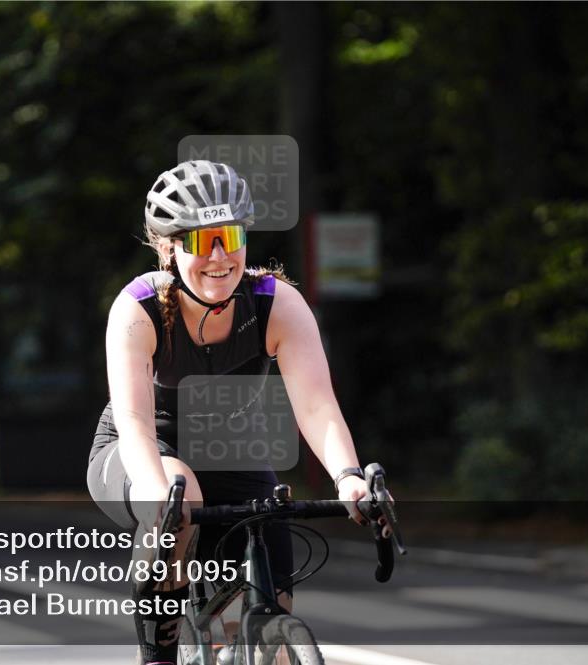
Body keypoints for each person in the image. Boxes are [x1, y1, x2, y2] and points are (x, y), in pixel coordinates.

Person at [87, 160, 376, 665]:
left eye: (230, 236)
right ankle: (159, 657)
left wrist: (349, 477)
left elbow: (316, 403)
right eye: (201, 241)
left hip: (232, 453)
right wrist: (159, 495)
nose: (219, 256)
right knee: (180, 500)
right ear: (168, 249)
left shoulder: (275, 304)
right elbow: (133, 422)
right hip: (143, 451)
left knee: (271, 617)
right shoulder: (139, 308)